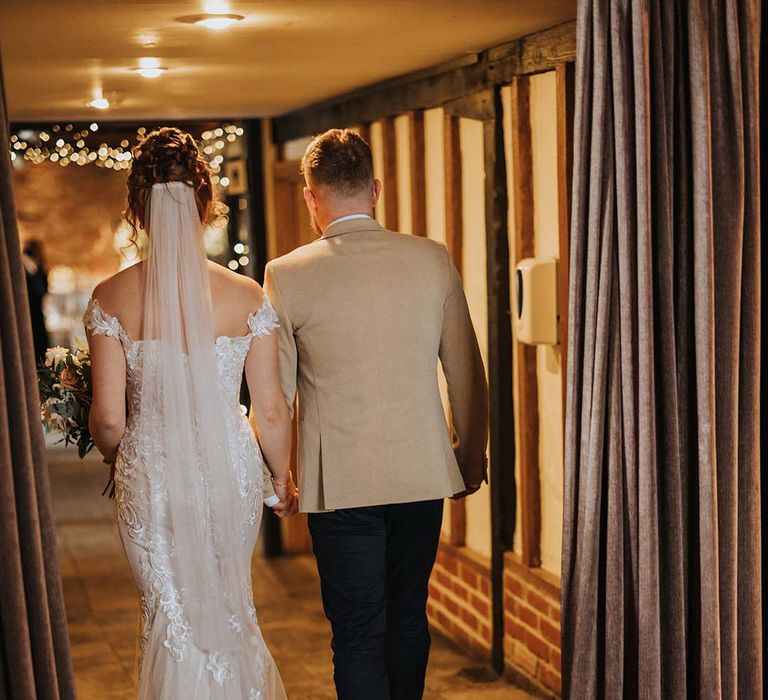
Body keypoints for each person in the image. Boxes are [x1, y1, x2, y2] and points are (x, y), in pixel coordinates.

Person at [264, 128, 489, 700]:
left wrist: (278, 473)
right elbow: (466, 371)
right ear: (377, 189)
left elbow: (276, 394)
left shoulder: (286, 275)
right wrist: (469, 457)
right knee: (409, 618)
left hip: (339, 486)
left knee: (359, 634)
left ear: (311, 197)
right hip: (420, 477)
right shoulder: (430, 259)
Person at [84, 127, 296, 699]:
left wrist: (119, 459)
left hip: (150, 474)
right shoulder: (248, 295)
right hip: (230, 472)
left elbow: (107, 419)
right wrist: (279, 478)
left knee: (168, 614)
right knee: (229, 607)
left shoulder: (110, 297)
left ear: (137, 207)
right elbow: (270, 409)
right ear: (205, 203)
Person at [22, 239, 50, 364]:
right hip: (24, 315)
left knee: (39, 349)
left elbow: (42, 291)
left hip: (36, 316)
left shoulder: (40, 271)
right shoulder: (22, 272)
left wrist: (31, 267)